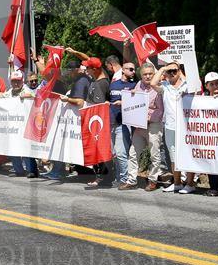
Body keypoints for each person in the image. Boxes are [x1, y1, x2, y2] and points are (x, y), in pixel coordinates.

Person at [62, 56, 111, 188]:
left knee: (99, 149)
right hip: (93, 119)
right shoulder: (96, 80)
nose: (85, 69)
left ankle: (103, 178)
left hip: (96, 120)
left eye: (88, 67)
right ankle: (100, 175)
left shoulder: (101, 84)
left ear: (95, 69)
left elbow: (98, 106)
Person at [151, 62, 196, 193]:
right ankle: (177, 183)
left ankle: (190, 183)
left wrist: (179, 70)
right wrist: (163, 69)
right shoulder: (165, 86)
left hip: (187, 126)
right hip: (170, 125)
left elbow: (196, 84)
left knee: (188, 155)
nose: (172, 73)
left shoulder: (187, 84)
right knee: (173, 155)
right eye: (169, 71)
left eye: (174, 71)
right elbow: (153, 83)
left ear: (179, 71)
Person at [122, 62, 165, 191]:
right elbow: (134, 102)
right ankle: (131, 180)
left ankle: (153, 180)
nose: (147, 76)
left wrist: (147, 114)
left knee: (154, 154)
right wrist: (132, 95)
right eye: (145, 74)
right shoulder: (138, 84)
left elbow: (160, 109)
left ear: (154, 74)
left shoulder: (159, 87)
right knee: (133, 152)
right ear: (141, 75)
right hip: (139, 126)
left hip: (153, 124)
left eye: (150, 74)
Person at [0, 70, 39, 177]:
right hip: (13, 126)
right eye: (13, 81)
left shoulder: (26, 89)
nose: (16, 83)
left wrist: (27, 96)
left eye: (18, 81)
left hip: (26, 126)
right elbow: (2, 97)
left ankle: (31, 171)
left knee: (26, 149)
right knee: (13, 148)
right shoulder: (10, 91)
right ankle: (19, 170)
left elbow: (34, 96)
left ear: (22, 81)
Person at [108, 62, 136, 187]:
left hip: (124, 123)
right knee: (114, 153)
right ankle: (119, 177)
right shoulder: (113, 84)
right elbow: (107, 100)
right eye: (130, 69)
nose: (133, 71)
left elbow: (136, 103)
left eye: (134, 69)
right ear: (123, 70)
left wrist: (123, 102)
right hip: (111, 122)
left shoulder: (134, 85)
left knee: (121, 153)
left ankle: (124, 179)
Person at [200, 72, 218, 196]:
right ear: (206, 86)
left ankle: (217, 188)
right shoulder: (202, 99)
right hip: (208, 136)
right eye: (212, 84)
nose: (215, 86)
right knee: (211, 161)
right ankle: (214, 187)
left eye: (217, 83)